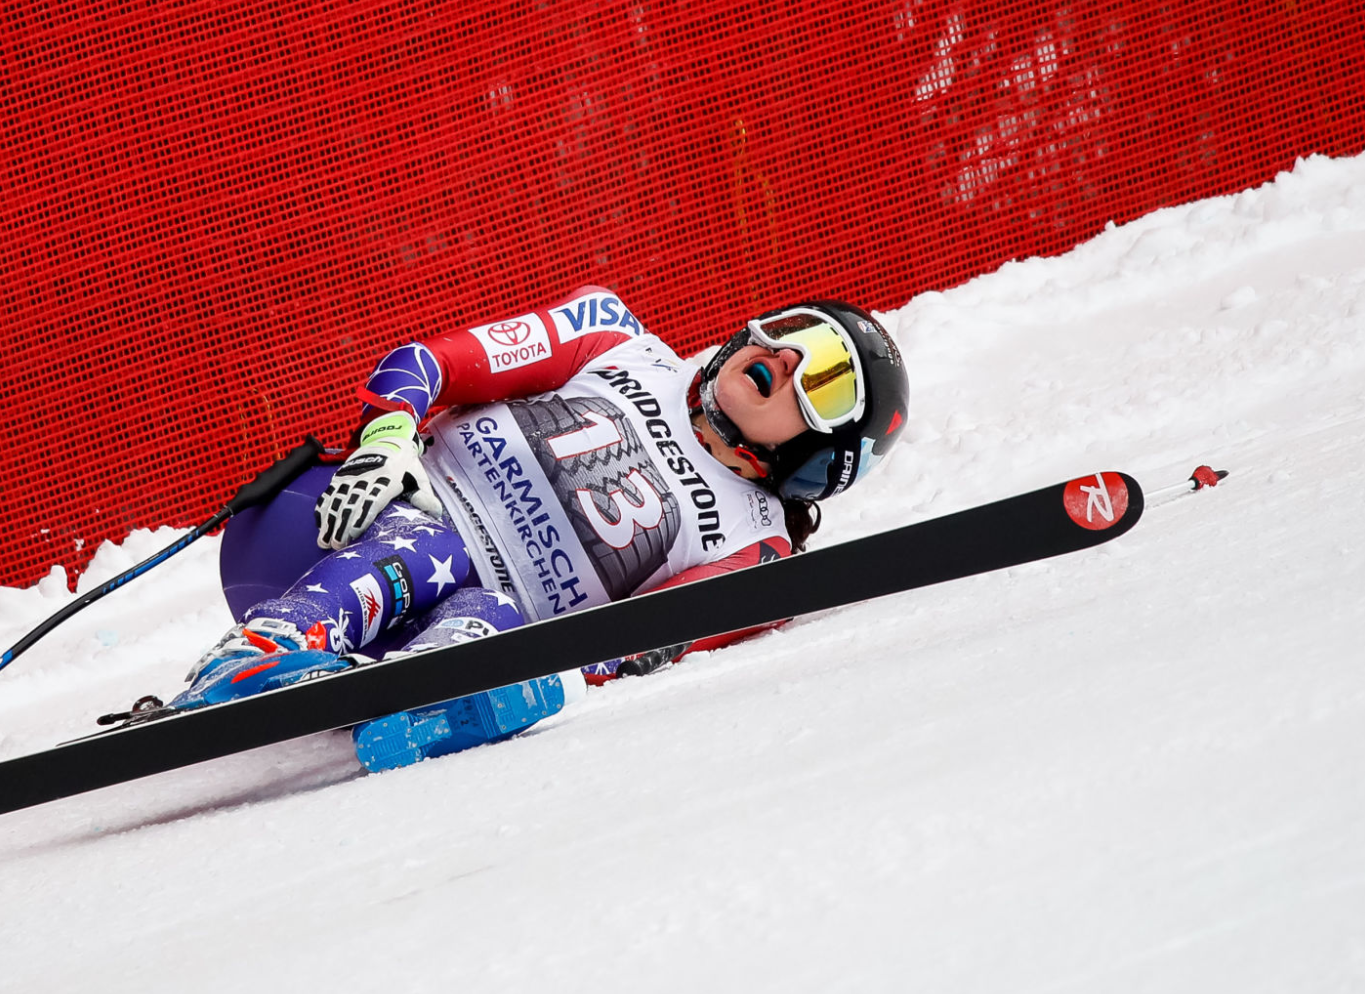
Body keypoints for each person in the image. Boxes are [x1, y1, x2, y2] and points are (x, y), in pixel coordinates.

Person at [170, 286, 910, 770]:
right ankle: (262, 649)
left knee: (490, 623)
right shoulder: (613, 336)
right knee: (431, 547)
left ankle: (416, 702)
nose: (784, 356)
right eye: (792, 331)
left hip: (486, 625)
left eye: (824, 379)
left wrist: (551, 675)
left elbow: (637, 642)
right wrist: (389, 436)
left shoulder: (757, 552)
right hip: (331, 527)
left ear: (827, 455)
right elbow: (436, 362)